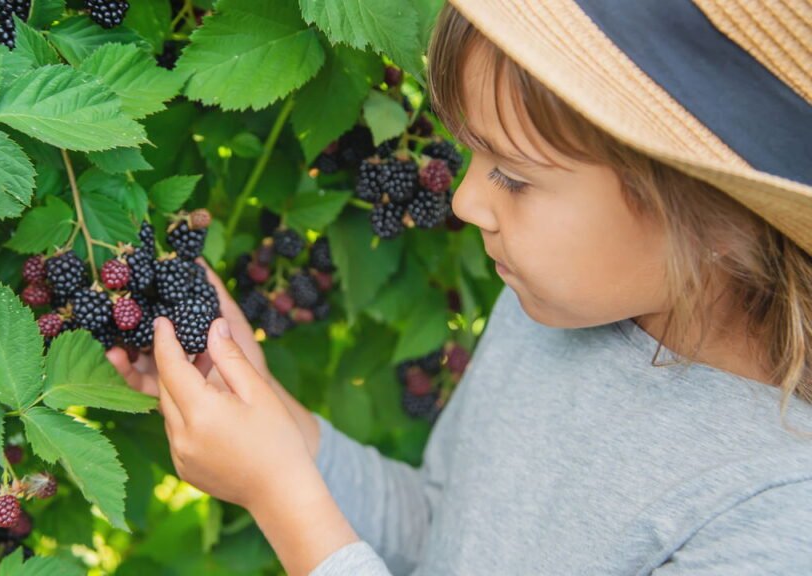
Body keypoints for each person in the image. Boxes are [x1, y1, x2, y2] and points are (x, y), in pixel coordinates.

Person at [106, 0, 812, 573]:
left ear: (717, 217)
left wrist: (281, 496)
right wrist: (278, 425)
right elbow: (444, 530)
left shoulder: (773, 516)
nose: (467, 202)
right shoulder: (548, 316)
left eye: (513, 176)